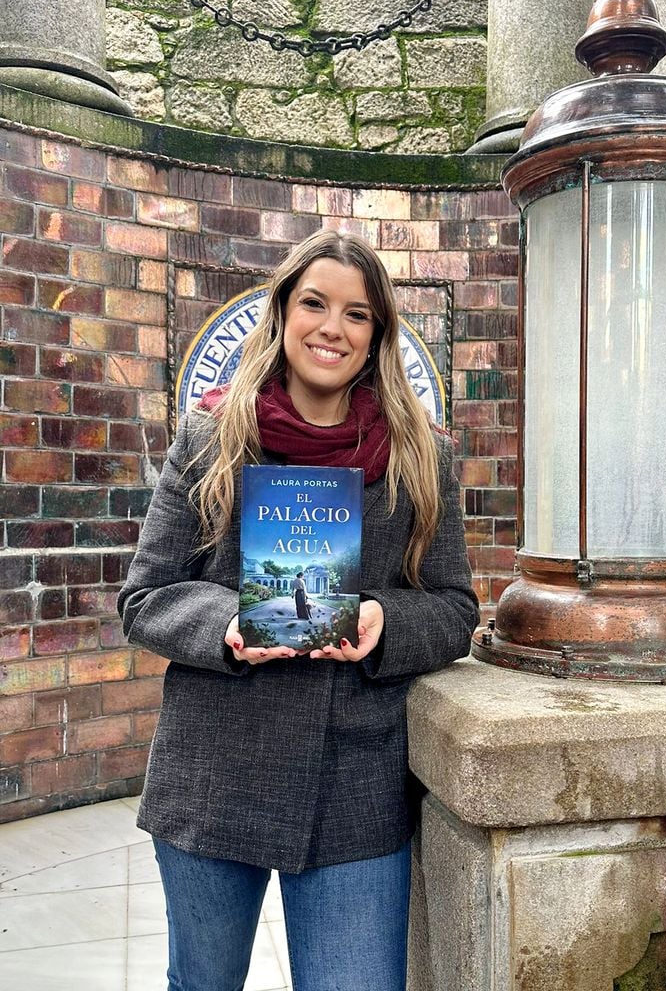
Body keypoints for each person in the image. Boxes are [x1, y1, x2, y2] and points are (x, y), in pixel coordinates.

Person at [118, 229, 479, 991]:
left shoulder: (422, 454)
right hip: (213, 772)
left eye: (357, 314)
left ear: (377, 333)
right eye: (314, 303)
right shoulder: (211, 436)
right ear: (282, 311)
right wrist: (224, 624)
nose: (332, 328)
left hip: (354, 781)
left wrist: (385, 621)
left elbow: (453, 608)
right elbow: (146, 597)